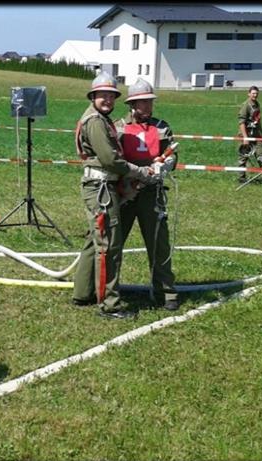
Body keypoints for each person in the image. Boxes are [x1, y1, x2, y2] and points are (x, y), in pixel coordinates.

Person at [71, 72, 157, 319]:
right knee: (108, 245)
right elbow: (110, 159)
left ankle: (83, 292)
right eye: (103, 95)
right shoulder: (96, 122)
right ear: (93, 96)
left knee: (95, 241)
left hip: (100, 187)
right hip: (101, 189)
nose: (108, 100)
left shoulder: (99, 118)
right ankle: (110, 304)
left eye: (112, 96)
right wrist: (140, 172)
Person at [114, 78, 179, 311]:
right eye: (143, 102)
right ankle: (108, 290)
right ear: (132, 104)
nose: (148, 106)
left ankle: (165, 292)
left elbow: (172, 154)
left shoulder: (162, 127)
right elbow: (113, 158)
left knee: (158, 242)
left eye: (150, 101)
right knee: (114, 242)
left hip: (153, 193)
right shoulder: (119, 126)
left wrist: (167, 164)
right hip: (125, 193)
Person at [237, 85, 262, 183]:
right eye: (253, 93)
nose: (255, 95)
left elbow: (257, 120)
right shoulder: (246, 105)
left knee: (261, 155)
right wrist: (245, 138)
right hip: (246, 135)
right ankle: (241, 178)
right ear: (249, 94)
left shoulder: (257, 104)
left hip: (256, 135)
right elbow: (241, 122)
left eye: (257, 93)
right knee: (243, 158)